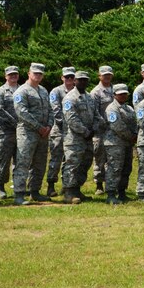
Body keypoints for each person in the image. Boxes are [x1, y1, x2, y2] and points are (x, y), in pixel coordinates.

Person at [13, 63, 51, 205]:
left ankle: (35, 191)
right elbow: (22, 112)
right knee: (23, 162)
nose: (38, 75)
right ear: (29, 73)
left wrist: (48, 126)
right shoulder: (22, 91)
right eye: (35, 73)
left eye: (40, 73)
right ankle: (19, 194)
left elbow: (50, 110)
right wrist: (39, 127)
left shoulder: (43, 91)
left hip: (43, 134)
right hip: (27, 133)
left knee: (40, 163)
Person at [60, 70, 95, 204]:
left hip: (88, 138)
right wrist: (85, 131)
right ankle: (69, 192)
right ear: (74, 81)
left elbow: (96, 114)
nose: (83, 82)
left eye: (85, 80)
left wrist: (96, 128)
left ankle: (77, 189)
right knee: (72, 165)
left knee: (85, 163)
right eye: (80, 80)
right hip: (74, 139)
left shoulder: (89, 97)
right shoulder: (69, 98)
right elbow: (71, 119)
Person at [103, 85, 137, 205]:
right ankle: (111, 194)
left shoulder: (129, 108)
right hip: (114, 143)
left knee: (126, 168)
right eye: (120, 94)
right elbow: (117, 126)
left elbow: (135, 123)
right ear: (114, 95)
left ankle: (122, 192)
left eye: (125, 93)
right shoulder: (111, 108)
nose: (123, 96)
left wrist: (135, 134)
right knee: (114, 168)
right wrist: (131, 136)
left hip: (127, 143)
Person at [45, 67, 75, 198]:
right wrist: (66, 124)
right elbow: (55, 110)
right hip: (58, 130)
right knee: (56, 158)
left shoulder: (77, 91)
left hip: (73, 132)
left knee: (69, 159)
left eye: (71, 77)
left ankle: (66, 185)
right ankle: (50, 186)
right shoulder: (56, 91)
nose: (69, 79)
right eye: (66, 77)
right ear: (62, 78)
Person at [0, 66, 20, 199]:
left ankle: (18, 188)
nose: (13, 76)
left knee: (19, 161)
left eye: (15, 74)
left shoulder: (22, 89)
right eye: (10, 74)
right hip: (4, 133)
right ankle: (1, 188)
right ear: (5, 76)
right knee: (3, 161)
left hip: (21, 132)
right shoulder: (0, 92)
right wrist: (16, 123)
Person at [89, 65, 115, 195]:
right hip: (101, 130)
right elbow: (94, 112)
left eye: (109, 74)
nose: (107, 77)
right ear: (99, 76)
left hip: (114, 131)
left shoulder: (115, 90)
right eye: (104, 75)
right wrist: (105, 123)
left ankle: (111, 184)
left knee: (112, 159)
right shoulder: (96, 92)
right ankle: (99, 184)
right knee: (99, 158)